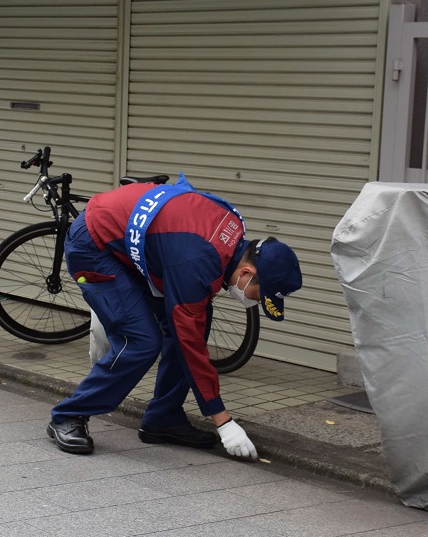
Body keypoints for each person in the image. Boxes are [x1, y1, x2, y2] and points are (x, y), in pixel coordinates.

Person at [46, 173, 303, 460]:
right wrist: (223, 421)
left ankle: (163, 418)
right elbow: (187, 341)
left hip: (134, 243)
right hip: (94, 246)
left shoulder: (231, 228)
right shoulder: (197, 261)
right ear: (246, 273)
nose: (254, 301)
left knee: (196, 319)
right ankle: (67, 415)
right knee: (141, 340)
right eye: (259, 294)